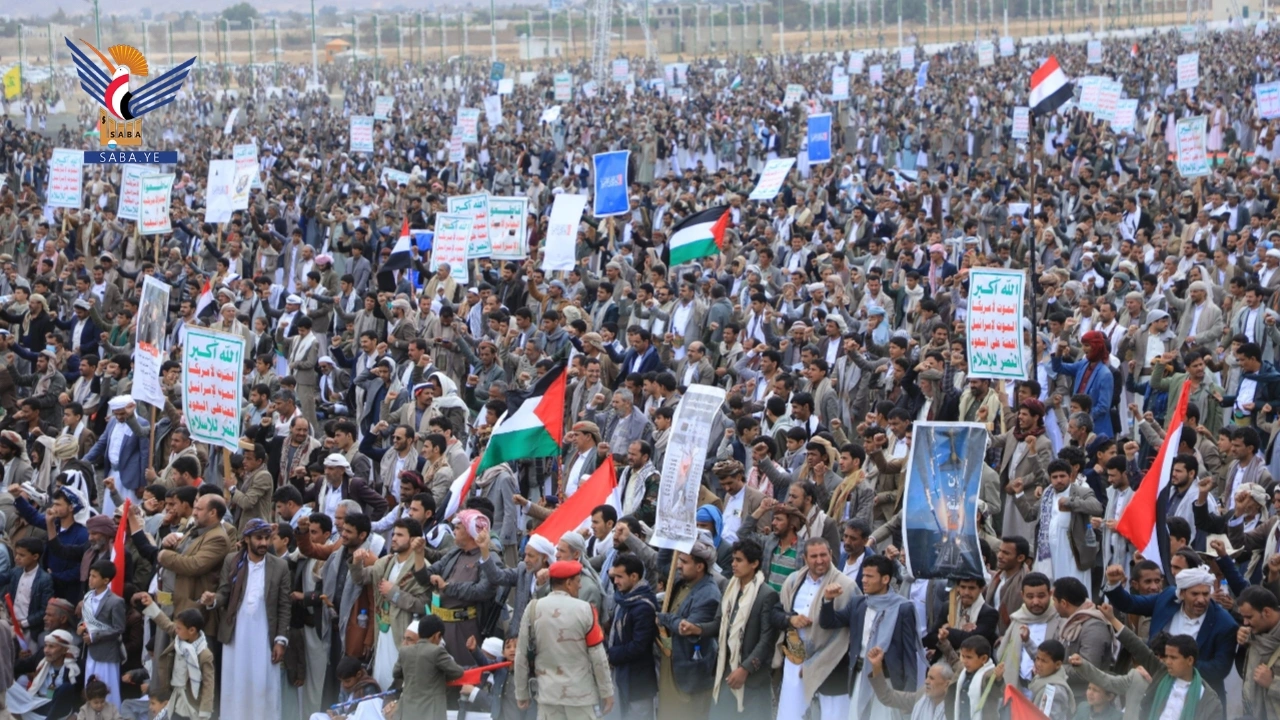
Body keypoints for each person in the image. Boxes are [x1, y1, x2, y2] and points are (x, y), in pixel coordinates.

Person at [203, 517, 291, 720]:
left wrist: (281, 640)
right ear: (246, 539)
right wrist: (213, 600)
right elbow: (224, 593)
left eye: (267, 538)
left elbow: (285, 606)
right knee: (236, 683)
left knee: (263, 683)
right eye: (259, 538)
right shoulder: (232, 561)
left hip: (265, 635)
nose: (264, 543)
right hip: (236, 634)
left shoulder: (280, 566)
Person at [820, 553, 922, 720]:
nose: (864, 580)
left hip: (888, 681)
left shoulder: (903, 608)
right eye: (863, 575)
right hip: (860, 677)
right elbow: (828, 622)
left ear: (885, 579)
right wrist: (827, 601)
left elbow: (909, 656)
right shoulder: (858, 604)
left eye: (869, 576)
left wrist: (908, 697)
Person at [514, 560, 615, 720]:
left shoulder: (532, 608)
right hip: (580, 697)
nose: (580, 586)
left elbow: (521, 655)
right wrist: (606, 691)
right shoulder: (586, 610)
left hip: (548, 696)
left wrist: (521, 693)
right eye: (578, 581)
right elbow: (598, 656)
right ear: (568, 583)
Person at [710, 538, 779, 720]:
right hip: (726, 672)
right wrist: (695, 629)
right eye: (733, 559)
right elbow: (719, 624)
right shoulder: (730, 588)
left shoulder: (767, 595)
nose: (733, 564)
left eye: (739, 560)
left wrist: (745, 669)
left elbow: (767, 640)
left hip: (752, 680)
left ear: (754, 563)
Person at [655, 540, 722, 720]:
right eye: (679, 560)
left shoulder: (708, 594)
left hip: (689, 672)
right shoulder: (683, 580)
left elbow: (687, 629)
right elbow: (662, 564)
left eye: (684, 561)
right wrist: (670, 537)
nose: (678, 565)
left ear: (699, 566)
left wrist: (664, 618)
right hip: (671, 663)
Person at [134, 595, 215, 720]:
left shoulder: (204, 654)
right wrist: (151, 605)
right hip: (174, 696)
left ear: (192, 630)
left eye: (179, 628)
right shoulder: (179, 637)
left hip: (190, 701)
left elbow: (208, 685)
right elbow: (165, 623)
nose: (175, 630)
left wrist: (205, 711)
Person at [390, 615, 465, 720]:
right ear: (437, 635)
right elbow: (458, 672)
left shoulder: (404, 651)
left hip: (408, 711)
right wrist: (438, 675)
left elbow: (396, 673)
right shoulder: (437, 651)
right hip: (431, 712)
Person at [79, 560, 127, 707]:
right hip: (91, 651)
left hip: (107, 654)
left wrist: (94, 636)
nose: (90, 579)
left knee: (107, 688)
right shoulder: (88, 597)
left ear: (106, 580)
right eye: (90, 575)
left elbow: (119, 628)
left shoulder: (116, 601)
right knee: (90, 686)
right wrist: (81, 626)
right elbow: (86, 619)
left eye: (94, 576)